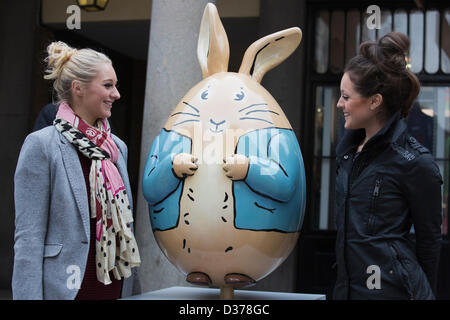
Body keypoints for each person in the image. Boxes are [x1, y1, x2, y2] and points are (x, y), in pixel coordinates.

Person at [13, 41, 141, 300]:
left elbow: (124, 229)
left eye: (115, 85)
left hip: (115, 288)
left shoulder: (118, 148)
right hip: (67, 292)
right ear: (78, 88)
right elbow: (29, 239)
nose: (116, 94)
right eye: (108, 85)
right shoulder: (42, 145)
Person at [333, 32, 443, 300]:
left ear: (374, 101)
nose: (339, 104)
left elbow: (429, 242)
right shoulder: (347, 153)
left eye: (346, 97)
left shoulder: (414, 162)